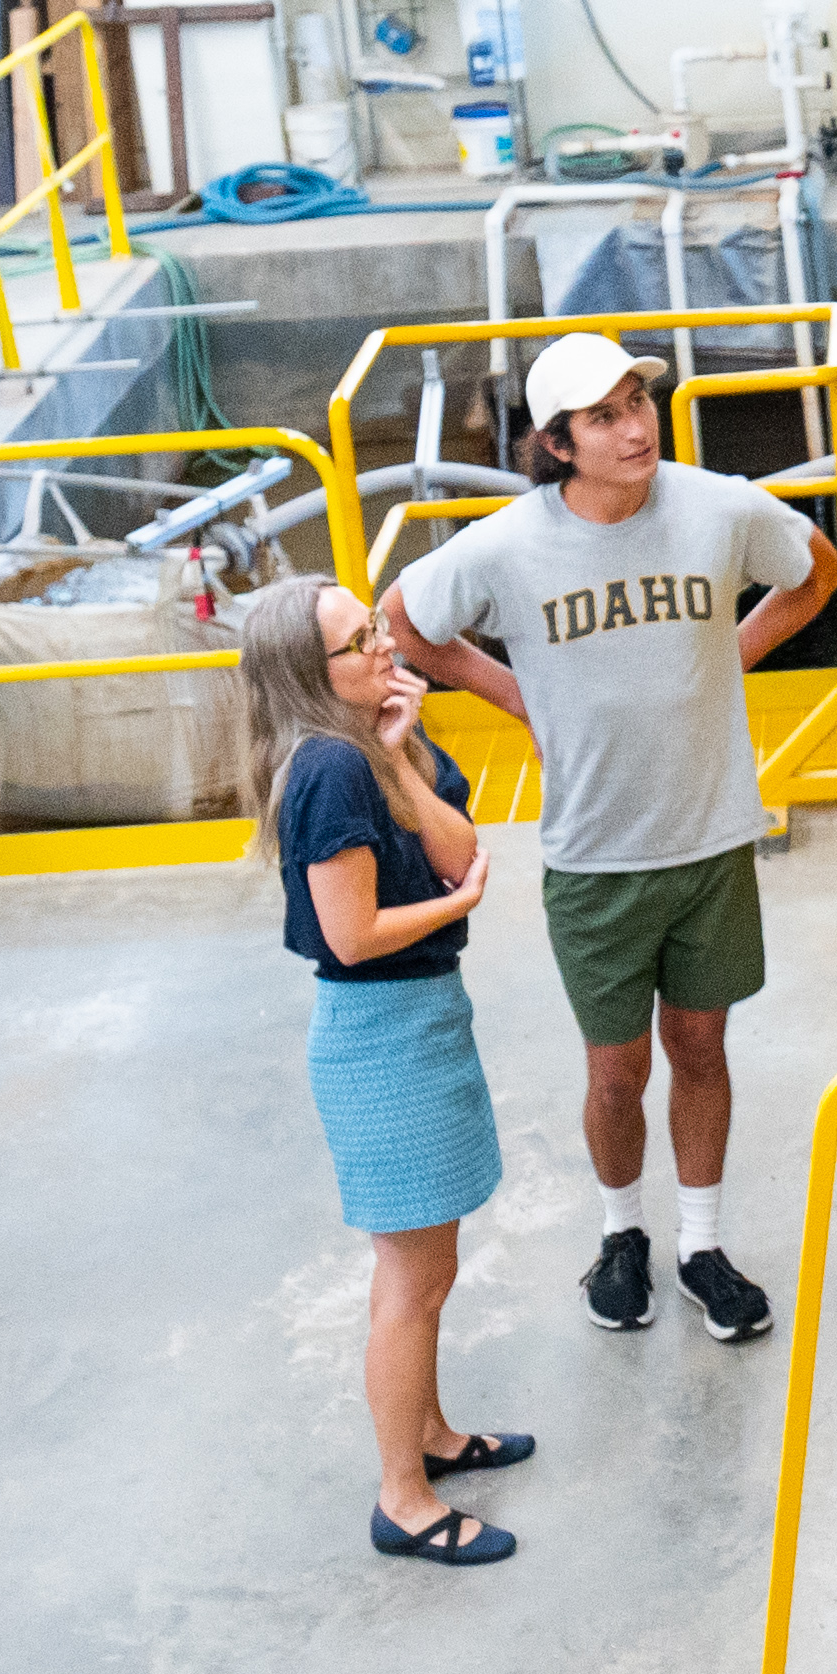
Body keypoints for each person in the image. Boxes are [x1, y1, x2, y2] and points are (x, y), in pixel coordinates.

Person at [389, 330, 837, 1344]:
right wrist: (518, 695)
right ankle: (620, 1233)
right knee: (616, 1071)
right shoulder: (510, 545)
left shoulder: (718, 507)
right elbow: (405, 622)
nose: (634, 428)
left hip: (711, 838)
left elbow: (817, 572)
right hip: (594, 858)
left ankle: (702, 1245)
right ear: (557, 442)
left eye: (637, 403)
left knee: (703, 1048)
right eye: (604, 417)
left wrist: (728, 654)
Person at [240, 577, 535, 1566]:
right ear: (308, 677)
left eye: (373, 626)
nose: (382, 643)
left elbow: (461, 851)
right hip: (381, 1033)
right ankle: (403, 1500)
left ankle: (433, 1435)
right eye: (356, 641)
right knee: (412, 1278)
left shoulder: (372, 745)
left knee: (427, 1267)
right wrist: (457, 910)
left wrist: (403, 750)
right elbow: (354, 934)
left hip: (419, 1019)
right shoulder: (326, 769)